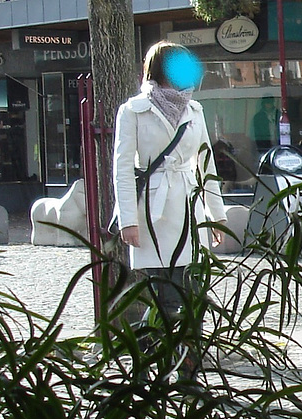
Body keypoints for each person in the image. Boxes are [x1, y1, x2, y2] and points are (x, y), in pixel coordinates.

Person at [112, 40, 227, 378]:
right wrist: (128, 220)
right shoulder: (132, 111)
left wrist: (216, 215)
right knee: (160, 299)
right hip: (151, 215)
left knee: (192, 298)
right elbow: (121, 168)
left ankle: (189, 373)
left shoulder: (195, 110)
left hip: (189, 209)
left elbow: (206, 163)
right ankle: (153, 368)